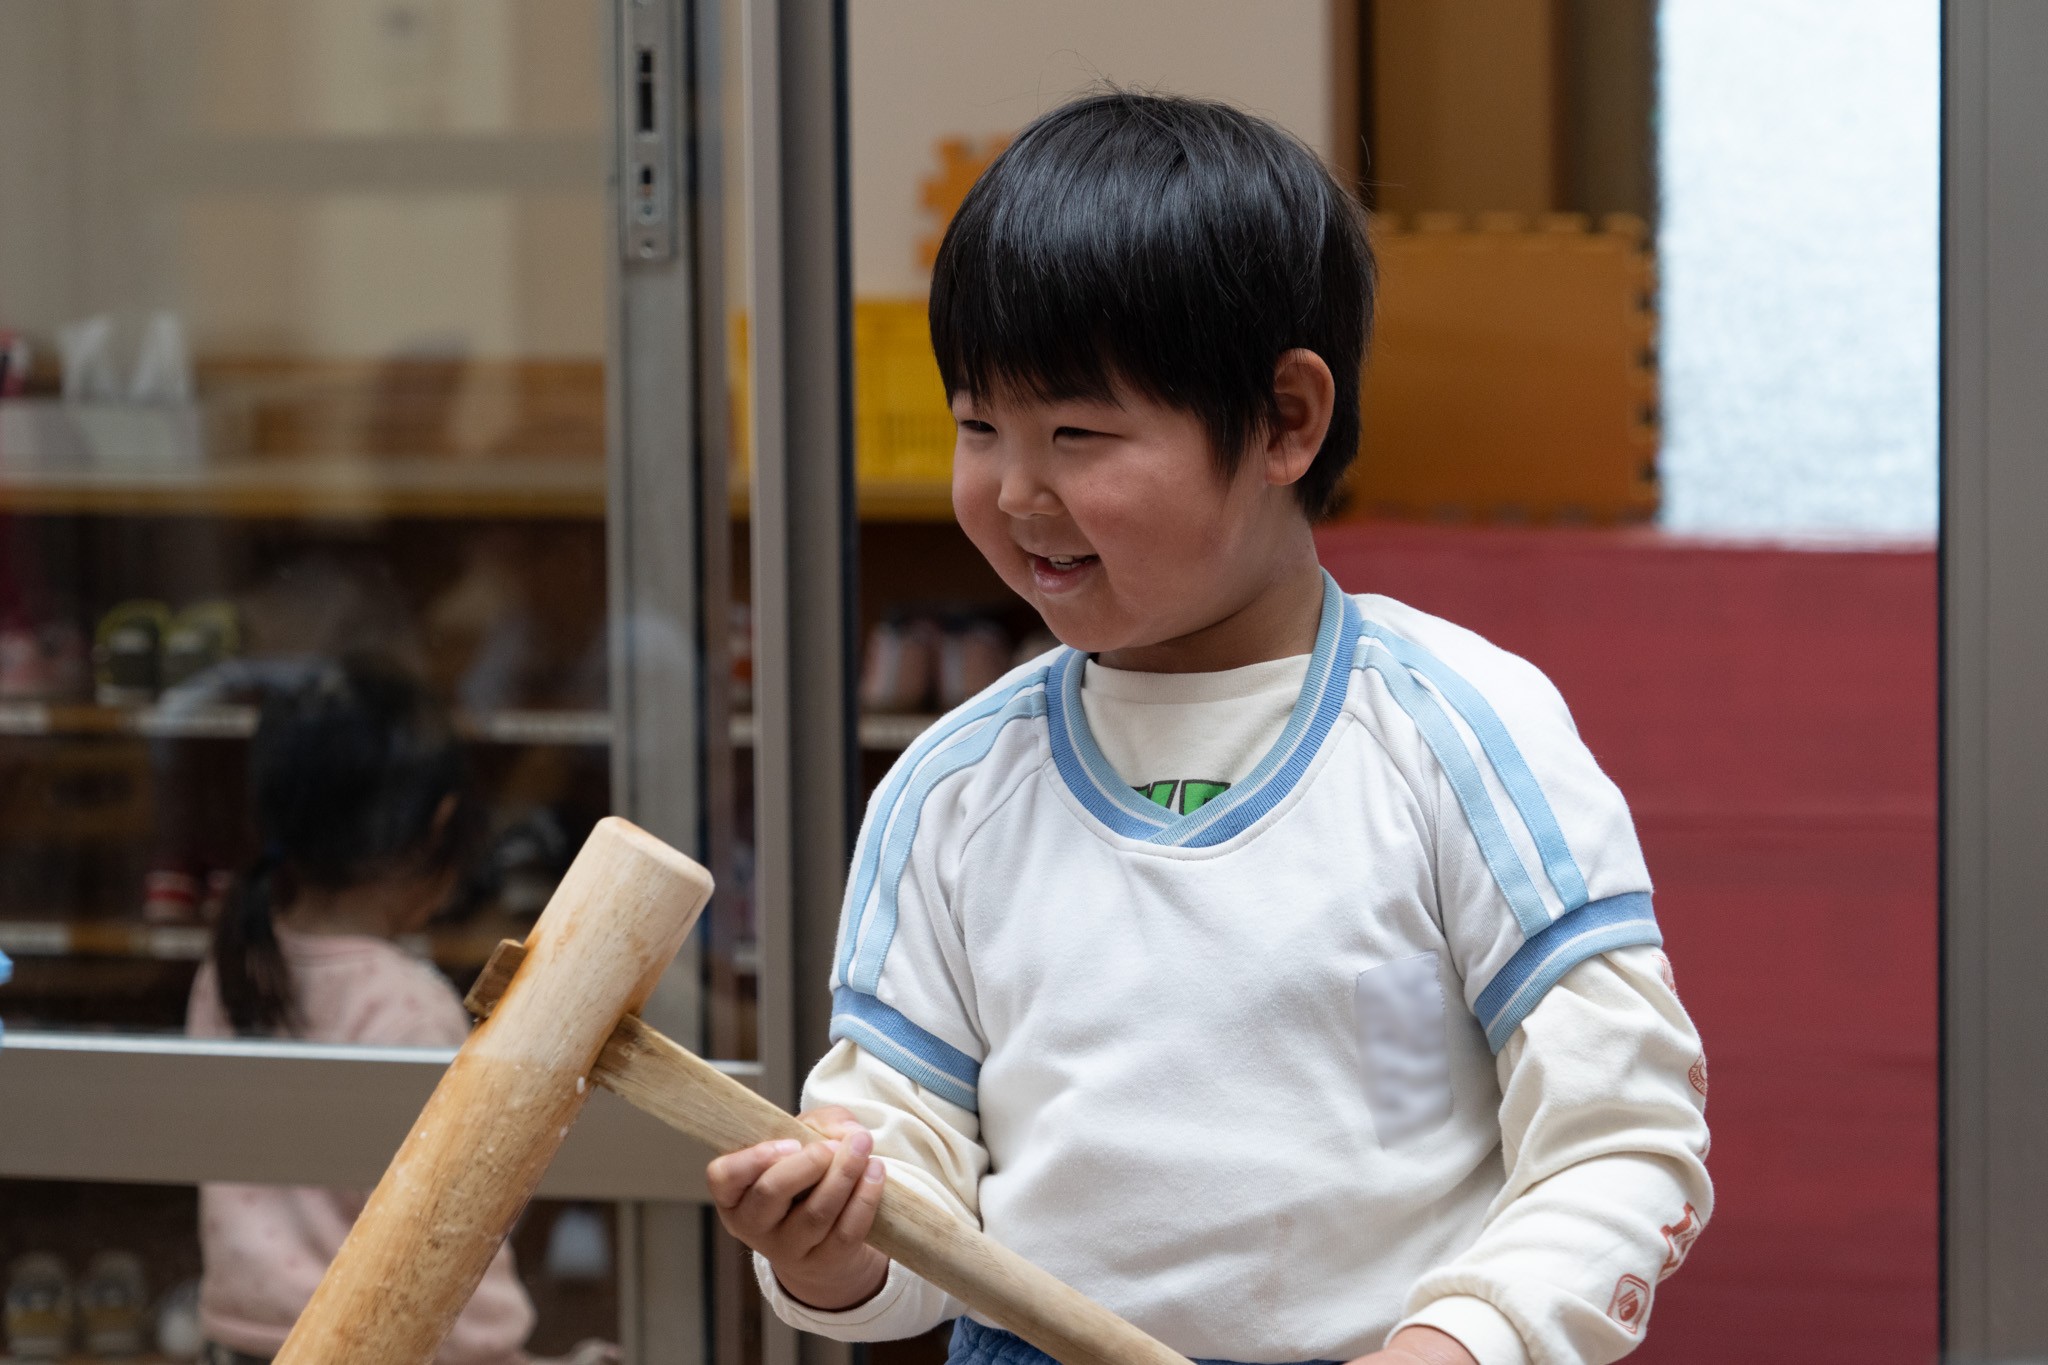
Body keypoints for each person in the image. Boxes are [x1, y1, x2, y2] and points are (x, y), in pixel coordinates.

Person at [707, 91, 1712, 1365]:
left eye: (1076, 433)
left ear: (1287, 420)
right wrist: (834, 1247)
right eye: (979, 427)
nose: (1015, 491)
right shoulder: (950, 787)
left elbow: (1621, 1138)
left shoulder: (1458, 731)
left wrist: (1464, 1341)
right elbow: (902, 1177)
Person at [187, 656, 609, 1365]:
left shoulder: (234, 963)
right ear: (442, 822)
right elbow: (442, 1232)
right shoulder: (408, 1004)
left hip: (240, 1339)